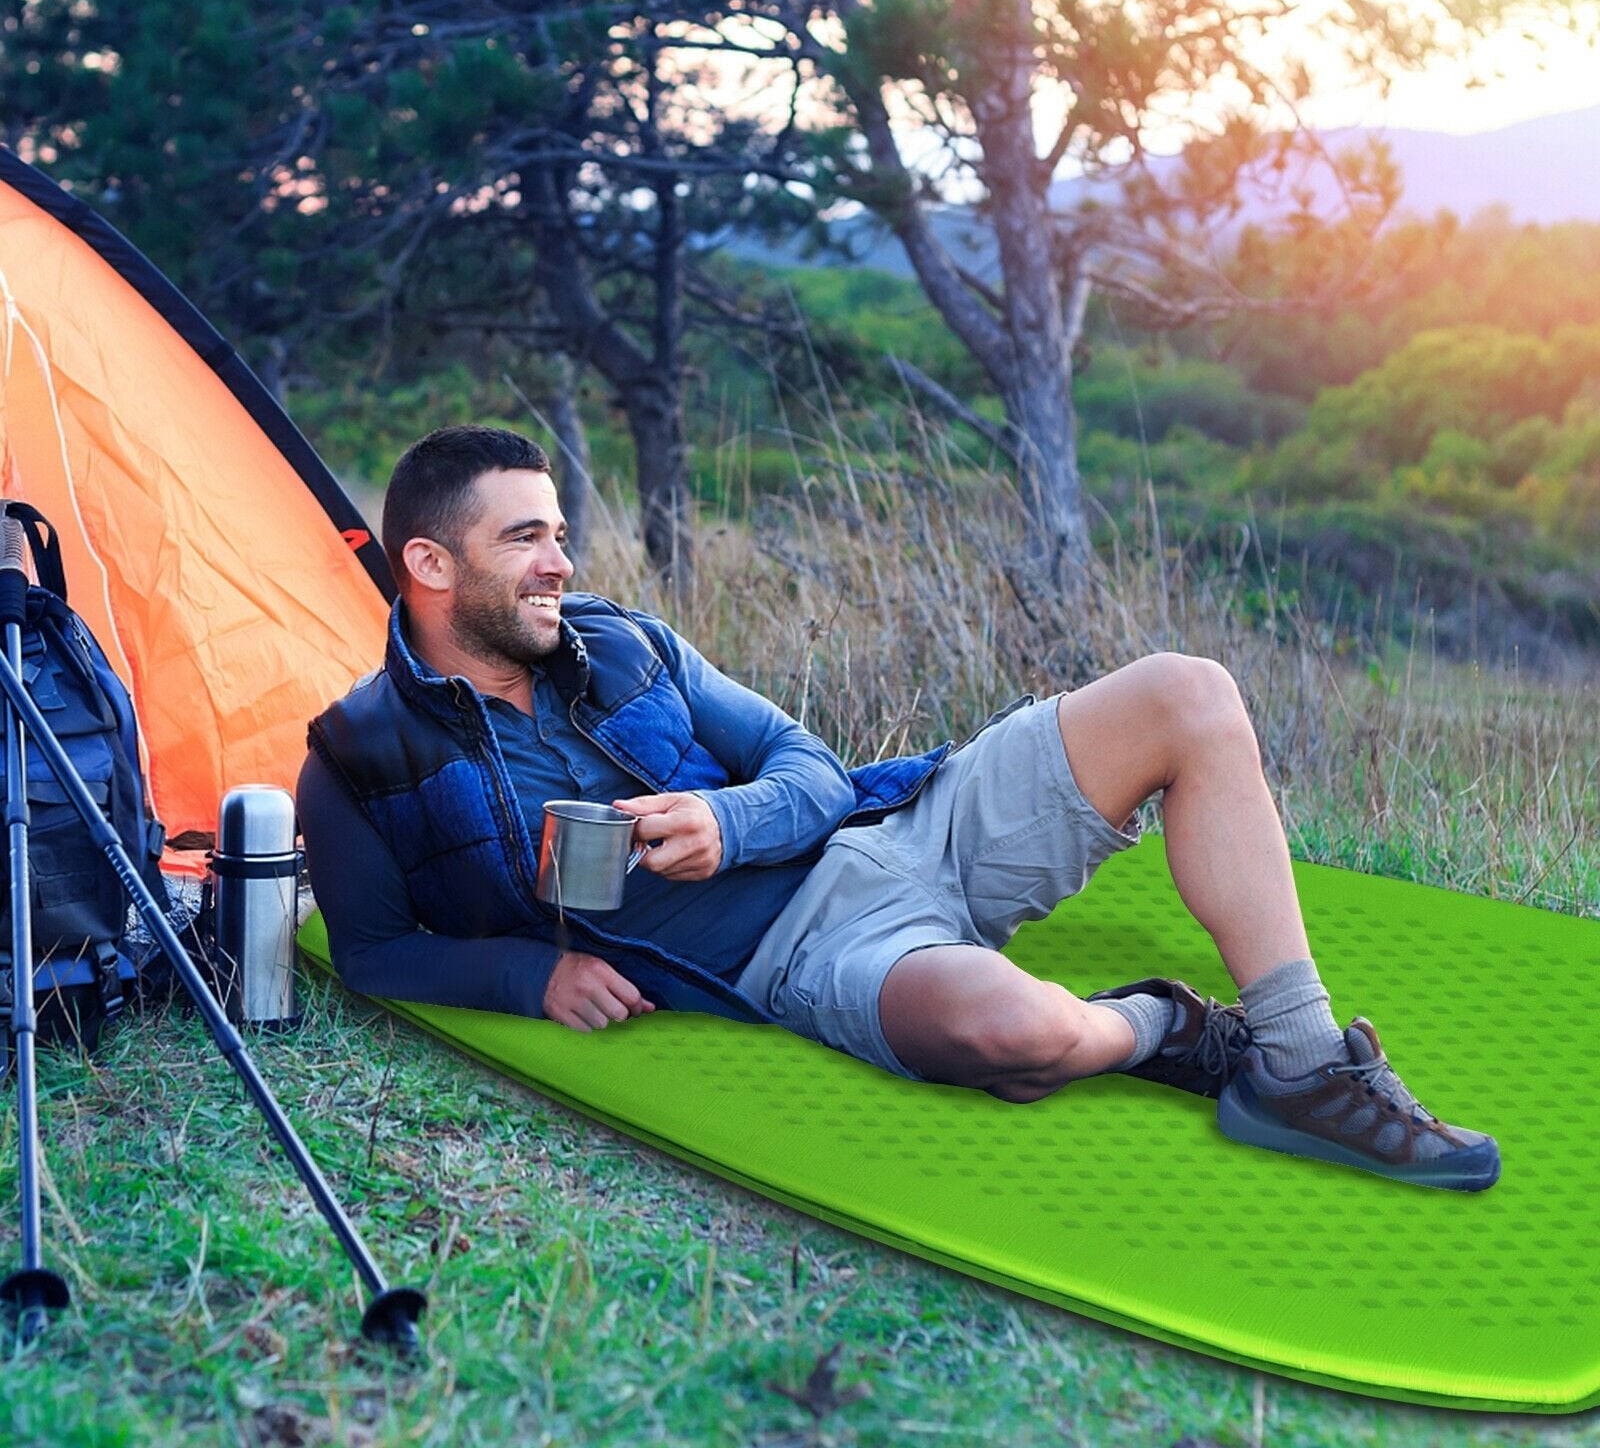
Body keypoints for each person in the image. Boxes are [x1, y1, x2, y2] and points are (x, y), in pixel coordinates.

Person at [298, 426, 1500, 1193]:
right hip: (814, 950)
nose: (562, 561)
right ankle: (1169, 1028)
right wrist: (530, 977)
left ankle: (1295, 1061)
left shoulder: (623, 643)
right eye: (526, 539)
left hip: (901, 826)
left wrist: (736, 824)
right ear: (432, 566)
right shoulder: (360, 752)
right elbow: (370, 947)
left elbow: (808, 766)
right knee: (1012, 1032)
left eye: (561, 533)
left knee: (1186, 694)